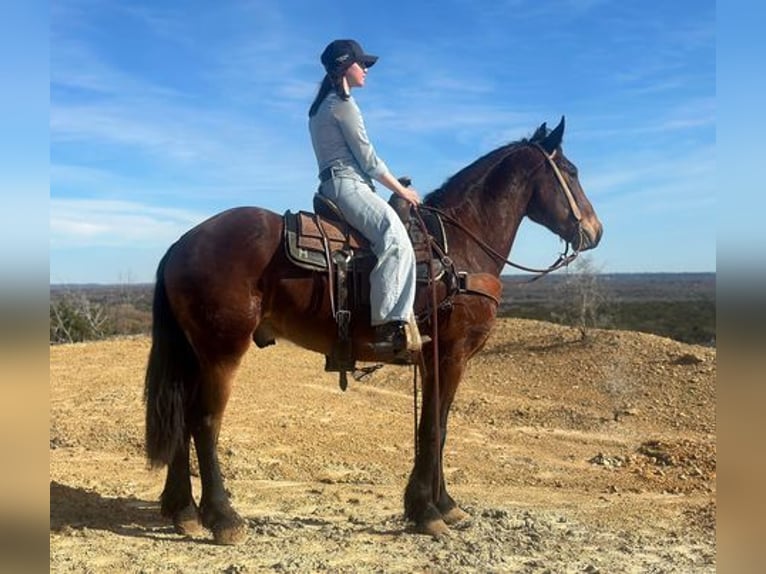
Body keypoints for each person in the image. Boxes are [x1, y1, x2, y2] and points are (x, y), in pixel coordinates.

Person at [308, 39, 422, 359]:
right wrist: (402, 192)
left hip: (330, 185)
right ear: (347, 66)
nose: (367, 71)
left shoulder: (319, 109)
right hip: (349, 185)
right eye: (363, 65)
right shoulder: (344, 106)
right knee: (396, 239)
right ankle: (388, 326)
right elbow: (369, 160)